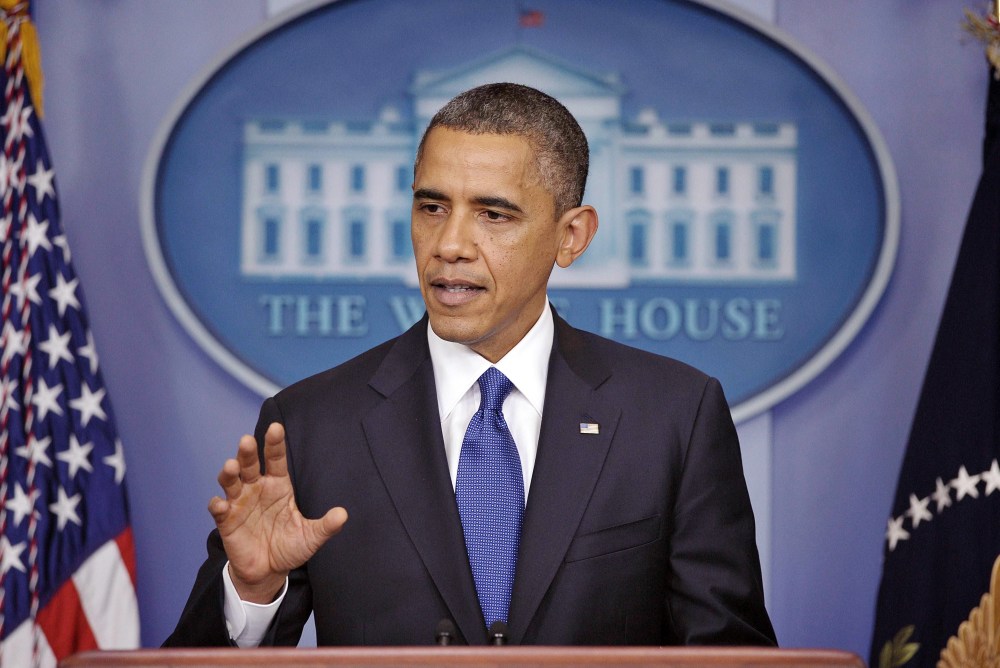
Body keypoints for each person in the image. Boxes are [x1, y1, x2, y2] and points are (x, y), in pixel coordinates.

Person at [164, 83, 776, 647]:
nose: (450, 244)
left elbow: (732, 655)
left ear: (572, 237)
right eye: (432, 207)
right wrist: (251, 592)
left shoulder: (672, 415)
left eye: (493, 214)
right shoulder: (310, 423)